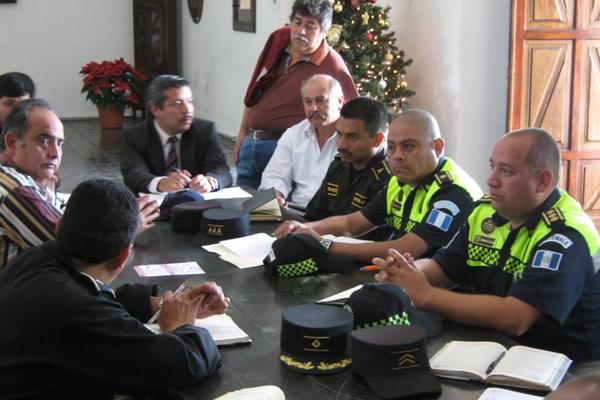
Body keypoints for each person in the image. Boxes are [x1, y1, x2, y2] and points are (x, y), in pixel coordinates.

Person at [374, 128, 600, 361]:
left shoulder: (566, 234)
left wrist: (425, 295)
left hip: (566, 363)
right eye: (493, 167)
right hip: (497, 344)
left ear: (542, 181)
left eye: (507, 171)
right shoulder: (485, 212)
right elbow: (443, 267)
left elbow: (516, 318)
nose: (491, 180)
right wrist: (407, 271)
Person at [0, 178, 228, 398]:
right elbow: (185, 363)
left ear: (59, 227)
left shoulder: (34, 258)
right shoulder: (75, 311)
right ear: (124, 256)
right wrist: (180, 325)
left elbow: (93, 298)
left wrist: (158, 306)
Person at [274, 109, 482, 263]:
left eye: (409, 146)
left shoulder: (453, 193)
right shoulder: (400, 181)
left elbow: (405, 249)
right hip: (404, 274)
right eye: (391, 147)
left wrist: (325, 244)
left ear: (437, 147)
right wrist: (304, 228)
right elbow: (352, 223)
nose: (398, 156)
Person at [0, 99, 158, 268]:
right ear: (11, 143)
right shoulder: (14, 188)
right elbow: (75, 251)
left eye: (59, 143)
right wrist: (127, 227)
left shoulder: (34, 177)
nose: (55, 153)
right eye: (44, 141)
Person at [234, 0, 358, 189]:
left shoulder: (332, 64)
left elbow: (352, 113)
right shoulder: (277, 42)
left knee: (273, 212)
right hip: (251, 144)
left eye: (310, 26)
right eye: (298, 22)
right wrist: (242, 134)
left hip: (284, 149)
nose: (301, 31)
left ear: (325, 31)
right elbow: (255, 90)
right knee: (240, 209)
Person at [120, 74, 232, 194]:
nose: (187, 110)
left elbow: (221, 170)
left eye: (190, 102)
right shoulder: (134, 135)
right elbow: (133, 174)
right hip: (152, 207)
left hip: (196, 205)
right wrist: (160, 183)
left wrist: (209, 181)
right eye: (178, 104)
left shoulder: (205, 130)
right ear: (156, 110)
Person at [258, 74, 343, 208]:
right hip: (298, 211)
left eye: (321, 100)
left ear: (340, 101)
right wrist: (276, 195)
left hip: (337, 217)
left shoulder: (353, 137)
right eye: (308, 102)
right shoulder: (294, 135)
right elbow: (275, 176)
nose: (313, 108)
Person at [304, 95, 390, 224]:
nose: (341, 145)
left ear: (377, 140)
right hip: (323, 238)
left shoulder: (388, 180)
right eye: (339, 134)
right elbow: (313, 216)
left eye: (352, 137)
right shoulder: (338, 165)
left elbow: (370, 238)